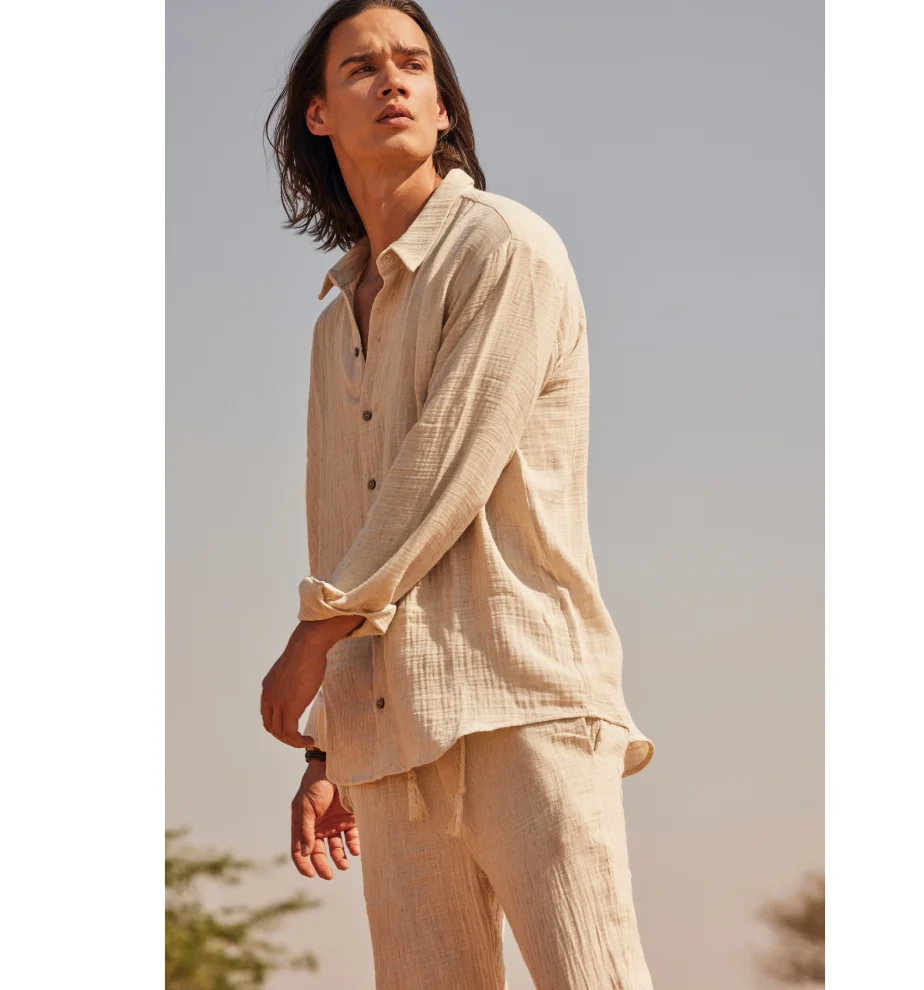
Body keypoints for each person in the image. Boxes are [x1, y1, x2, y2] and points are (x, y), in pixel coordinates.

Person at [260, 2, 656, 987]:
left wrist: (314, 634)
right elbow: (343, 522)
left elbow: (446, 468)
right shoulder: (335, 323)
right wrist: (328, 749)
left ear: (443, 108)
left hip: (523, 701)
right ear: (318, 114)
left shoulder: (505, 248)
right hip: (392, 733)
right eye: (361, 67)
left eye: (413, 64)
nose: (392, 79)